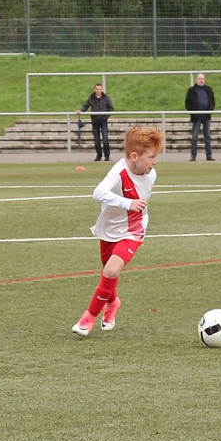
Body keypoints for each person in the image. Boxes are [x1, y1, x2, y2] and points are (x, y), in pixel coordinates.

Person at [72, 127, 165, 337]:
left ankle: (88, 318)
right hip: (109, 230)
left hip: (133, 231)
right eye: (151, 157)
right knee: (108, 273)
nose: (154, 162)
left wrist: (132, 207)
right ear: (135, 157)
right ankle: (113, 303)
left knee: (111, 271)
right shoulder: (118, 171)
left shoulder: (151, 175)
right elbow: (98, 192)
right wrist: (127, 203)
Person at [77, 83, 114, 162]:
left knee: (105, 139)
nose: (98, 91)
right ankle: (99, 155)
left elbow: (111, 108)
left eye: (100, 89)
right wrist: (80, 110)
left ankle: (107, 156)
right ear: (95, 89)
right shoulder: (91, 98)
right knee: (96, 140)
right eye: (97, 89)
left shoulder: (106, 98)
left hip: (103, 120)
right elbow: (85, 106)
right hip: (95, 121)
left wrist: (105, 117)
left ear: (102, 90)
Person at [184, 73, 216, 161]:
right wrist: (192, 113)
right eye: (199, 78)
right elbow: (187, 103)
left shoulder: (208, 89)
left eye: (202, 79)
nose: (201, 80)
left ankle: (209, 155)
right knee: (194, 137)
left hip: (206, 116)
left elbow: (212, 101)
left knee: (207, 137)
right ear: (196, 79)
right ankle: (193, 155)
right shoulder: (191, 90)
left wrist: (210, 110)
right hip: (196, 117)